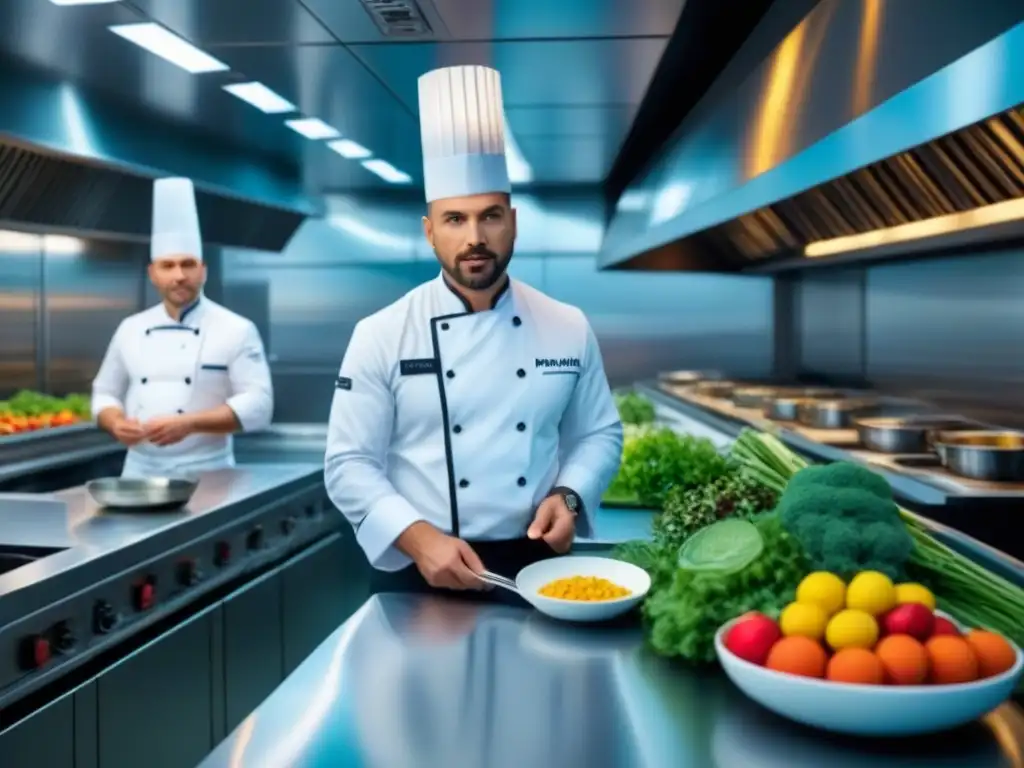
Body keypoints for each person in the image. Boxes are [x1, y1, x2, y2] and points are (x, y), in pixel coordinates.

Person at [324, 65, 623, 597]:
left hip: (540, 558)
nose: (475, 237)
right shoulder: (382, 333)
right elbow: (349, 464)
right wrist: (417, 539)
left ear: (513, 219)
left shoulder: (566, 325)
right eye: (455, 220)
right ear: (430, 231)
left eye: (490, 217)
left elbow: (600, 433)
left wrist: (571, 495)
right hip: (420, 566)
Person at [91, 177, 274, 478]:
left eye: (188, 264)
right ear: (153, 273)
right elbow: (104, 393)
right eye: (168, 265)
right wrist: (114, 422)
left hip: (207, 471)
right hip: (139, 471)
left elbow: (259, 405)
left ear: (203, 269)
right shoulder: (130, 328)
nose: (179, 275)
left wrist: (190, 423)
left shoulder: (236, 329)